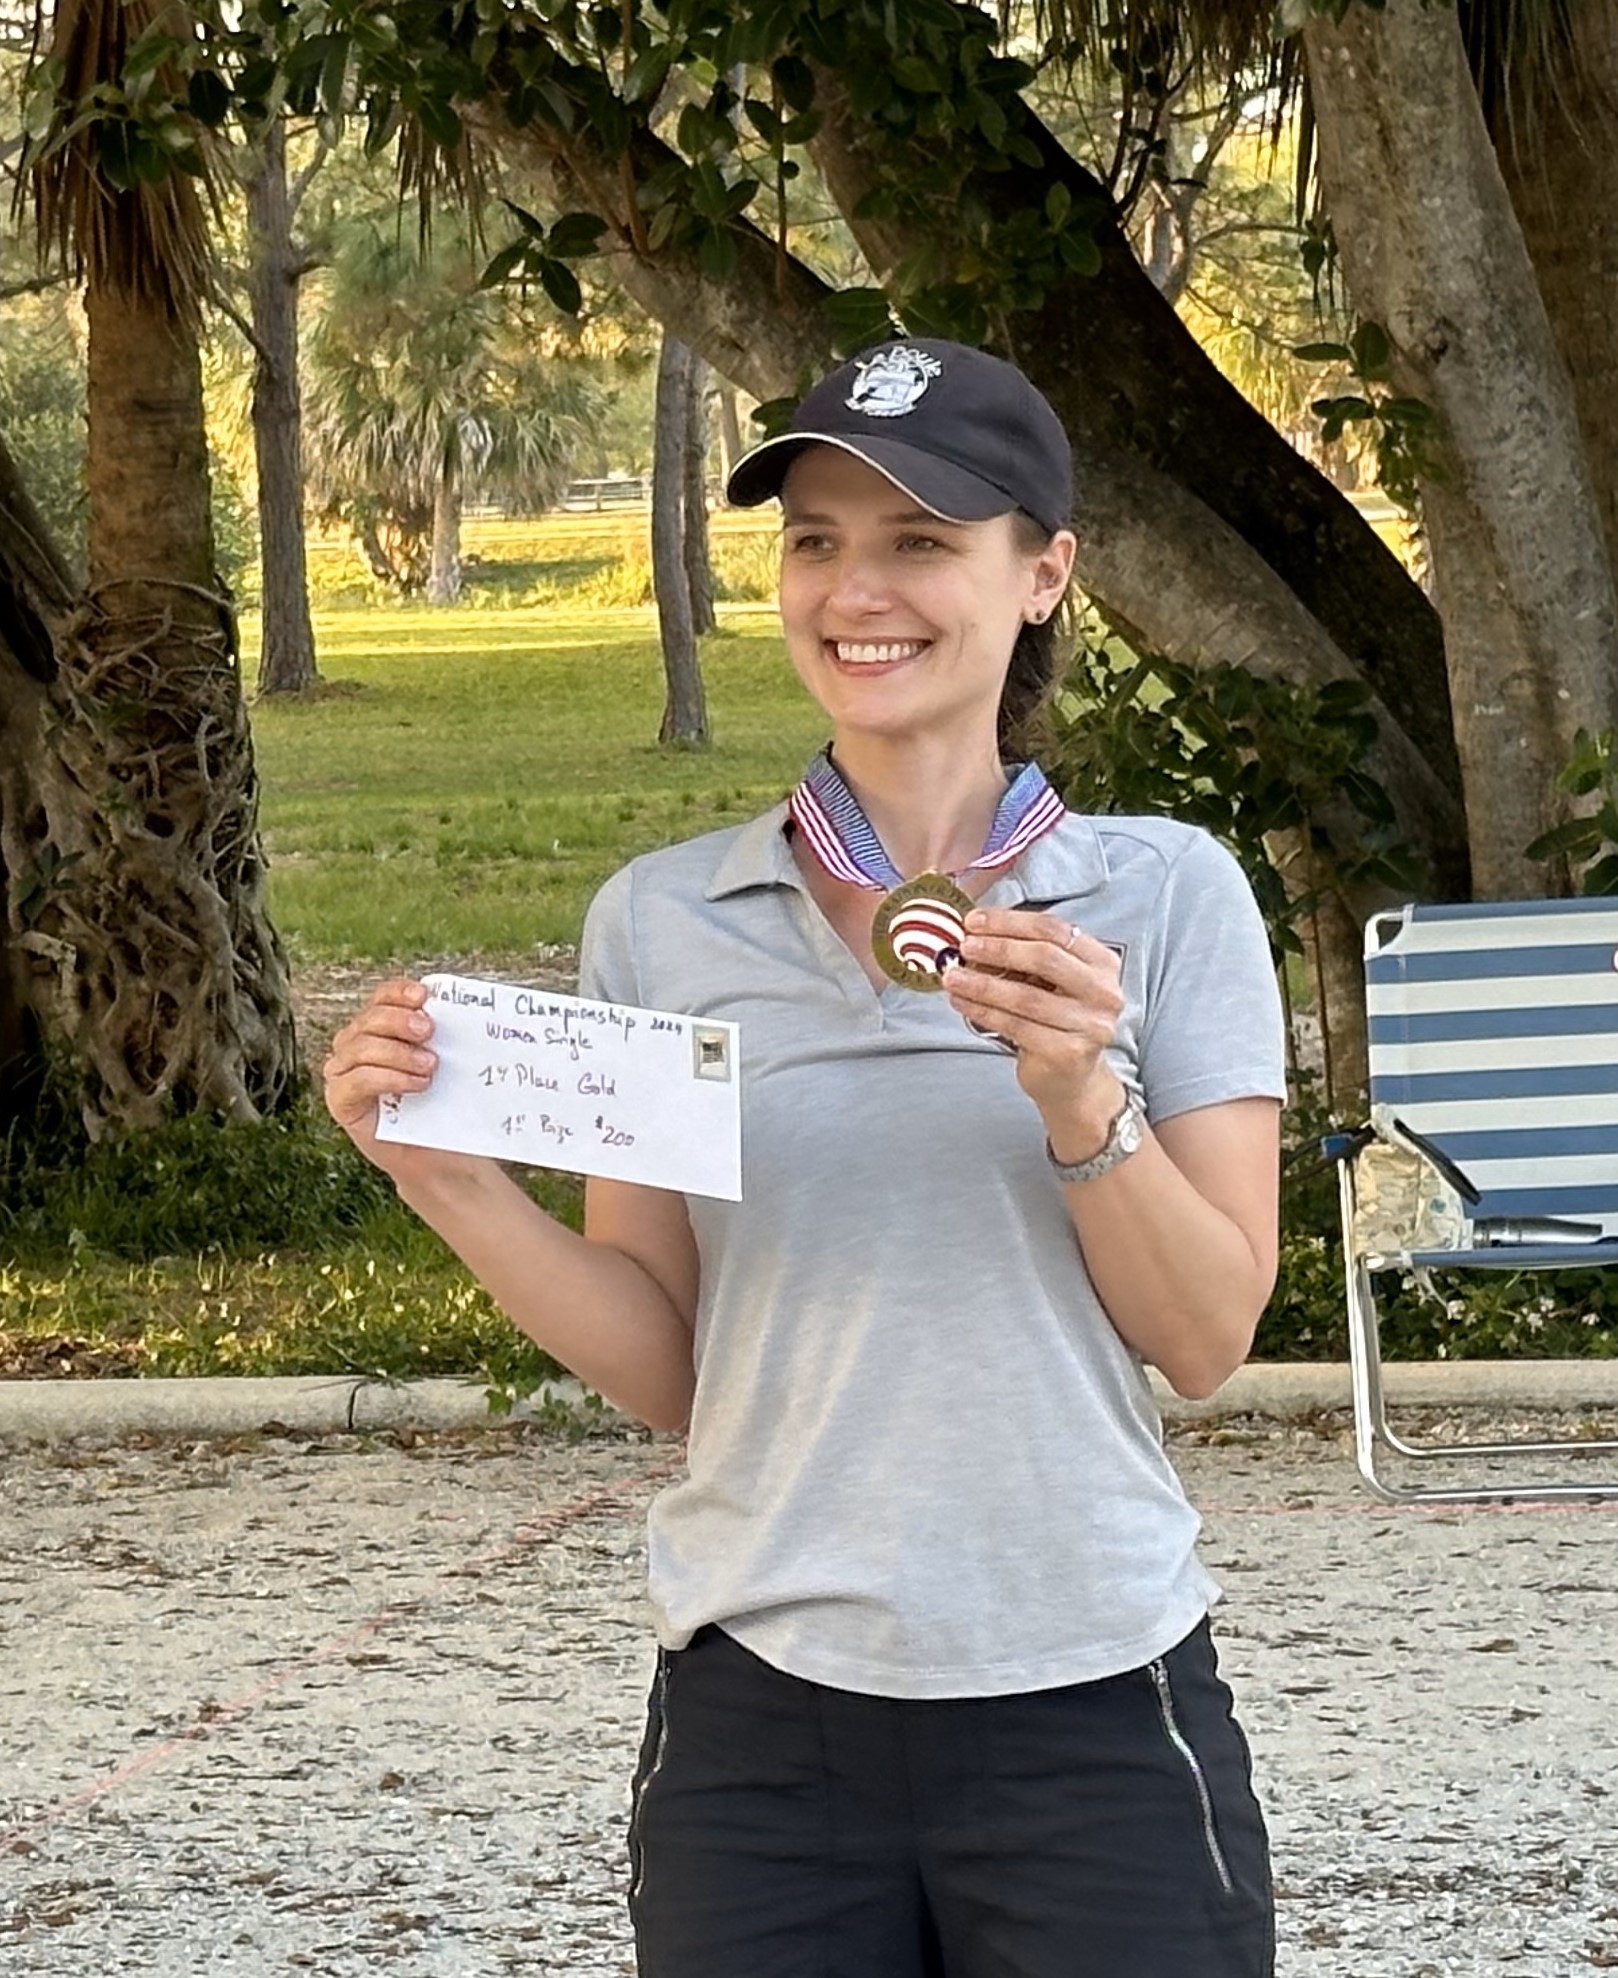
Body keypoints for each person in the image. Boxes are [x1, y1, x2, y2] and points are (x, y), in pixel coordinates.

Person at [322, 337, 1287, 1977]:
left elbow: (1204, 1336)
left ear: (1043, 573)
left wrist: (1080, 1096)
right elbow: (671, 1366)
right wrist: (446, 1178)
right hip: (762, 1727)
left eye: (920, 539)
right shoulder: (663, 917)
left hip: (1090, 1697)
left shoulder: (1165, 895)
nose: (857, 588)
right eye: (816, 538)